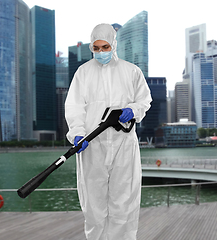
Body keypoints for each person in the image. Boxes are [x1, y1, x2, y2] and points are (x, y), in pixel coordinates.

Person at [65, 23, 152, 240]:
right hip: (92, 145)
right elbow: (74, 106)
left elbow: (145, 100)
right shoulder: (83, 73)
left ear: (113, 44)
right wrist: (77, 133)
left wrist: (132, 109)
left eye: (105, 47)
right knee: (94, 207)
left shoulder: (132, 71)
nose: (101, 52)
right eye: (96, 48)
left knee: (124, 204)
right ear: (91, 47)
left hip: (123, 144)